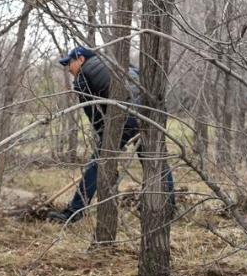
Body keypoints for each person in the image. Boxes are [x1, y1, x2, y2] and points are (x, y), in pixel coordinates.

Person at [47, 45, 174, 223]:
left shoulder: (83, 77)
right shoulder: (114, 62)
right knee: (155, 161)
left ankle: (74, 212)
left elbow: (95, 115)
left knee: (99, 161)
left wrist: (107, 139)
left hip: (127, 116)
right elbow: (140, 78)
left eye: (70, 63)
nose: (68, 68)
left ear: (81, 60)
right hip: (153, 111)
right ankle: (169, 207)